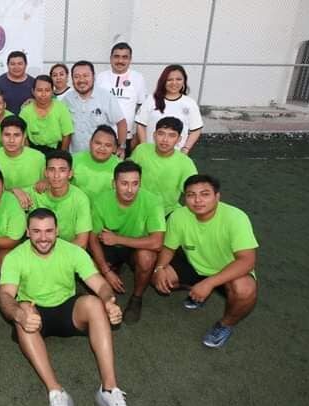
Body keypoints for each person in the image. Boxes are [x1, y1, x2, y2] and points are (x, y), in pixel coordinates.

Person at [0, 208, 138, 406]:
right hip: (34, 316)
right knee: (22, 308)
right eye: (36, 231)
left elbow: (100, 284)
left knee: (94, 303)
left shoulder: (73, 251)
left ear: (57, 231)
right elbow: (5, 296)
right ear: (27, 232)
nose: (43, 237)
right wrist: (19, 314)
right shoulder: (15, 257)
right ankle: (56, 393)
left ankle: (109, 390)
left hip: (67, 310)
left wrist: (109, 301)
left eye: (48, 231)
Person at [153, 175, 258, 348]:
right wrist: (159, 268)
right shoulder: (179, 215)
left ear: (217, 196)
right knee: (159, 277)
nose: (197, 200)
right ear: (185, 198)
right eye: (191, 195)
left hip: (226, 271)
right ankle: (196, 291)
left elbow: (247, 261)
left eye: (205, 194)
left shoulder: (236, 218)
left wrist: (210, 283)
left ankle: (225, 325)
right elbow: (168, 248)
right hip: (196, 266)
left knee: (245, 290)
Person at [88, 161, 165, 324]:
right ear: (114, 183)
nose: (130, 190)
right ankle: (109, 282)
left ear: (140, 183)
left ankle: (137, 298)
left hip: (135, 246)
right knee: (91, 265)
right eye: (124, 184)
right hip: (109, 246)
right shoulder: (100, 201)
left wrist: (117, 239)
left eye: (135, 184)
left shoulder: (153, 201)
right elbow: (93, 239)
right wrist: (105, 270)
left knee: (147, 258)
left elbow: (157, 242)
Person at [20, 151, 92, 248]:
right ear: (45, 173)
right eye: (51, 170)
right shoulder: (35, 191)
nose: (56, 175)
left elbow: (81, 242)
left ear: (70, 174)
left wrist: (53, 256)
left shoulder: (80, 199)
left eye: (62, 170)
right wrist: (14, 190)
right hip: (36, 249)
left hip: (68, 251)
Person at [129, 117, 198, 215]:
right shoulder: (141, 150)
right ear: (154, 135)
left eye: (172, 135)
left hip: (166, 212)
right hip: (136, 207)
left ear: (179, 139)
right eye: (161, 134)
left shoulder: (186, 163)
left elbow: (194, 192)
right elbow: (126, 174)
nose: (165, 140)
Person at [63, 61, 127, 156]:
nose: (81, 80)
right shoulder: (67, 99)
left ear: (94, 77)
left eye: (86, 76)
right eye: (76, 76)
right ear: (72, 79)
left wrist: (121, 147)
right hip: (76, 157)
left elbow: (121, 123)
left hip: (102, 157)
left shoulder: (106, 97)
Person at [135, 64, 203, 154]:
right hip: (151, 153)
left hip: (176, 155)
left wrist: (186, 148)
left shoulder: (190, 103)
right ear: (163, 81)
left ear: (184, 81)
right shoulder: (151, 100)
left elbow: (196, 129)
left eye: (178, 79)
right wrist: (144, 147)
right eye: (169, 80)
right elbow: (141, 124)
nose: (174, 83)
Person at [95, 43, 147, 155]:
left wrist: (136, 135)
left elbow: (141, 108)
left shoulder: (138, 78)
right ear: (110, 58)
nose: (120, 61)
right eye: (117, 56)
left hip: (127, 137)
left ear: (130, 59)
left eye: (125, 57)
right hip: (102, 135)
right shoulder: (101, 77)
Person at [0, 116, 45, 192]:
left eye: (16, 135)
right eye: (7, 135)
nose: (11, 140)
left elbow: (46, 185)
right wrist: (13, 192)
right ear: (1, 136)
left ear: (24, 136)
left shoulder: (39, 157)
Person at [19, 75, 74, 154]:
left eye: (47, 90)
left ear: (52, 92)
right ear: (33, 91)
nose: (43, 94)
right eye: (39, 90)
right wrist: (29, 155)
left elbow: (67, 134)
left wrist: (61, 156)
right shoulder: (25, 112)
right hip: (33, 151)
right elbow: (23, 137)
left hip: (57, 150)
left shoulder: (61, 108)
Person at [70, 125, 122, 199]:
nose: (102, 148)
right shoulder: (74, 160)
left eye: (108, 145)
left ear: (114, 148)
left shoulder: (121, 167)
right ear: (90, 142)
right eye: (98, 143)